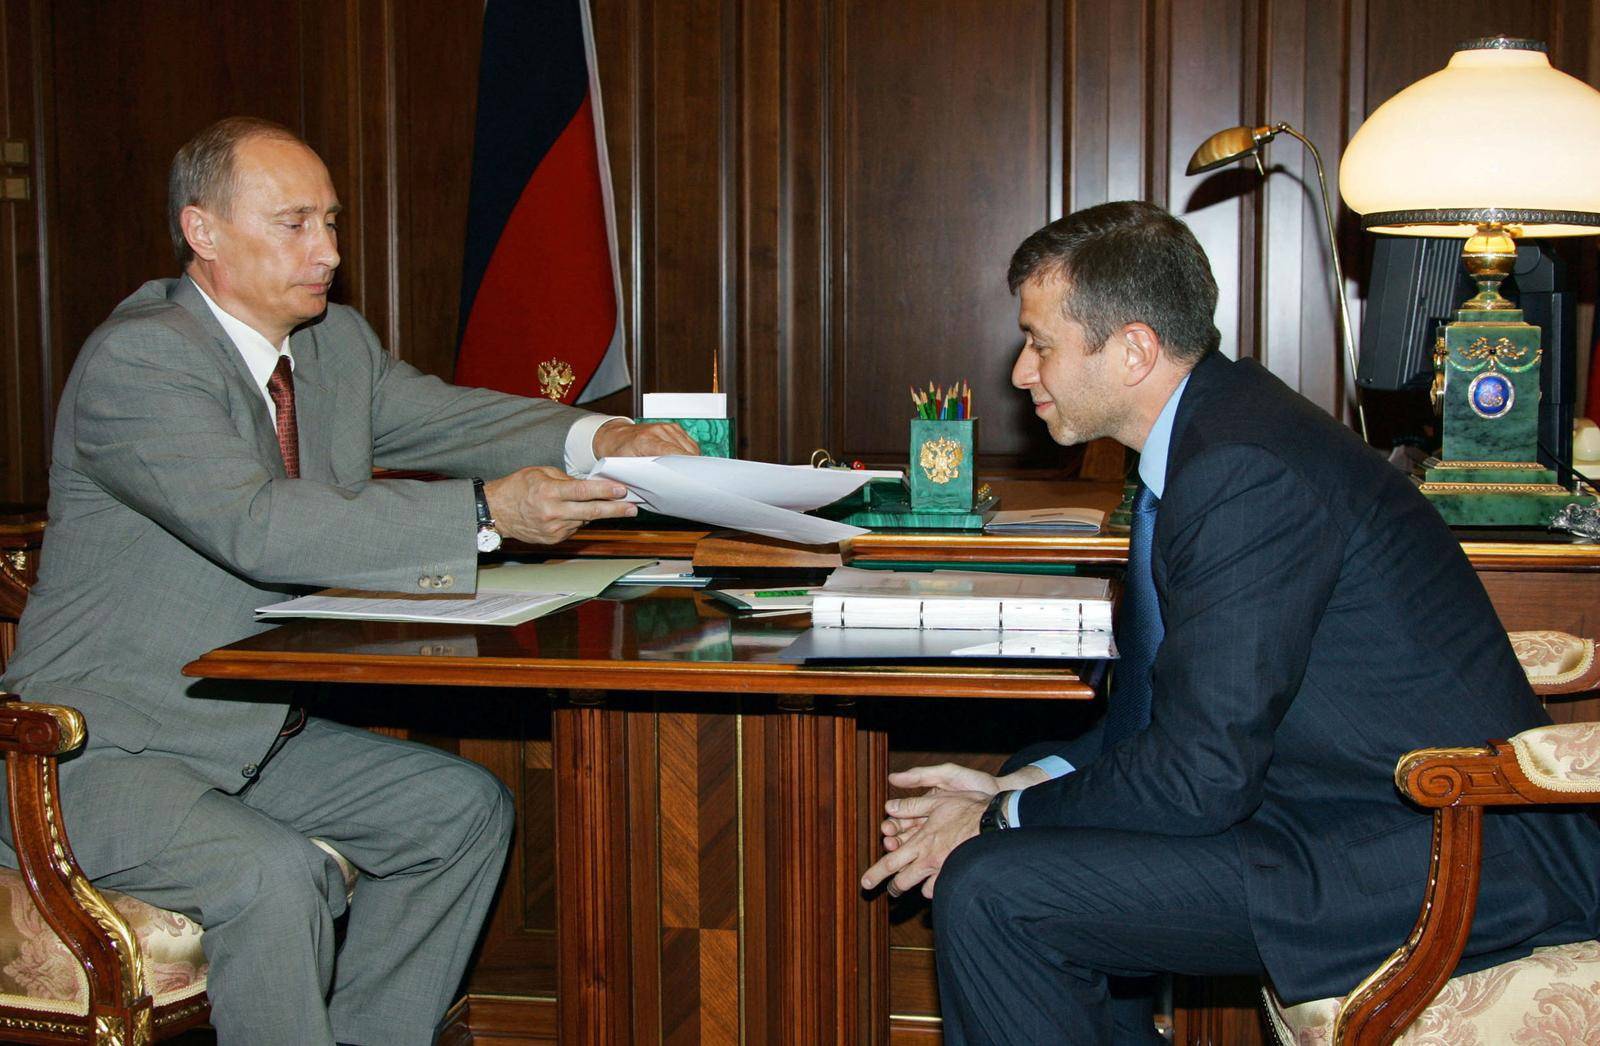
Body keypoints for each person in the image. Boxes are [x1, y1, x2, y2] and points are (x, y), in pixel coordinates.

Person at [0, 116, 697, 1045]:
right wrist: (486, 512)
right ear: (202, 233)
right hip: (96, 751)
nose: (328, 250)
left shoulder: (333, 349)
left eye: (331, 221)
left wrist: (602, 437)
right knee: (275, 875)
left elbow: (450, 421)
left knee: (458, 813)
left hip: (247, 732)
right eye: (294, 223)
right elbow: (259, 524)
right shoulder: (141, 360)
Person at [860, 200, 1600, 1043]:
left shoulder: (1244, 471)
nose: (1023, 373)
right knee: (1033, 768)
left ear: (1133, 349)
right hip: (1335, 804)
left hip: (1429, 852)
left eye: (1041, 344)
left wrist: (995, 820)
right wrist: (1015, 788)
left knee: (996, 890)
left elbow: (1200, 772)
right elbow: (1174, 715)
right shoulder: (1219, 435)